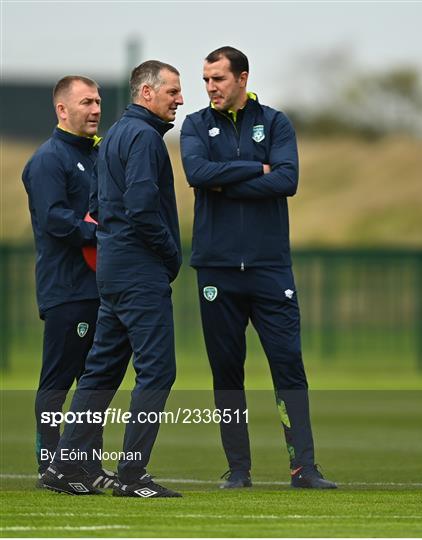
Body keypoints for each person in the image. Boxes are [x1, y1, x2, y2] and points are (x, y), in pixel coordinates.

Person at [180, 46, 337, 489]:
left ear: (242, 78)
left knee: (289, 366)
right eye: (205, 79)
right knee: (227, 372)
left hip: (270, 268)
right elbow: (196, 171)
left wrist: (224, 182)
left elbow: (287, 180)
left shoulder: (275, 122)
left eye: (218, 79)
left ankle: (303, 468)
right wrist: (255, 168)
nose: (210, 87)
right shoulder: (194, 125)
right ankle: (238, 470)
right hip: (216, 269)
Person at [41, 60, 184, 498]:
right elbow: (142, 206)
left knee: (100, 371)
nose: (180, 99)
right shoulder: (143, 137)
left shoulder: (117, 134)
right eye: (172, 91)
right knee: (157, 371)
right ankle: (132, 475)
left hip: (113, 269)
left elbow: (99, 205)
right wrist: (169, 251)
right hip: (139, 269)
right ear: (146, 93)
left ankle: (63, 466)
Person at [22, 76, 116, 488]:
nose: (95, 110)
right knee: (59, 379)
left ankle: (87, 466)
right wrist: (103, 231)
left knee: (92, 383)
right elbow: (54, 218)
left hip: (99, 287)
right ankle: (50, 464)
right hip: (67, 290)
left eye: (97, 102)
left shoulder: (97, 155)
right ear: (62, 110)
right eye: (85, 103)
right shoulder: (48, 159)